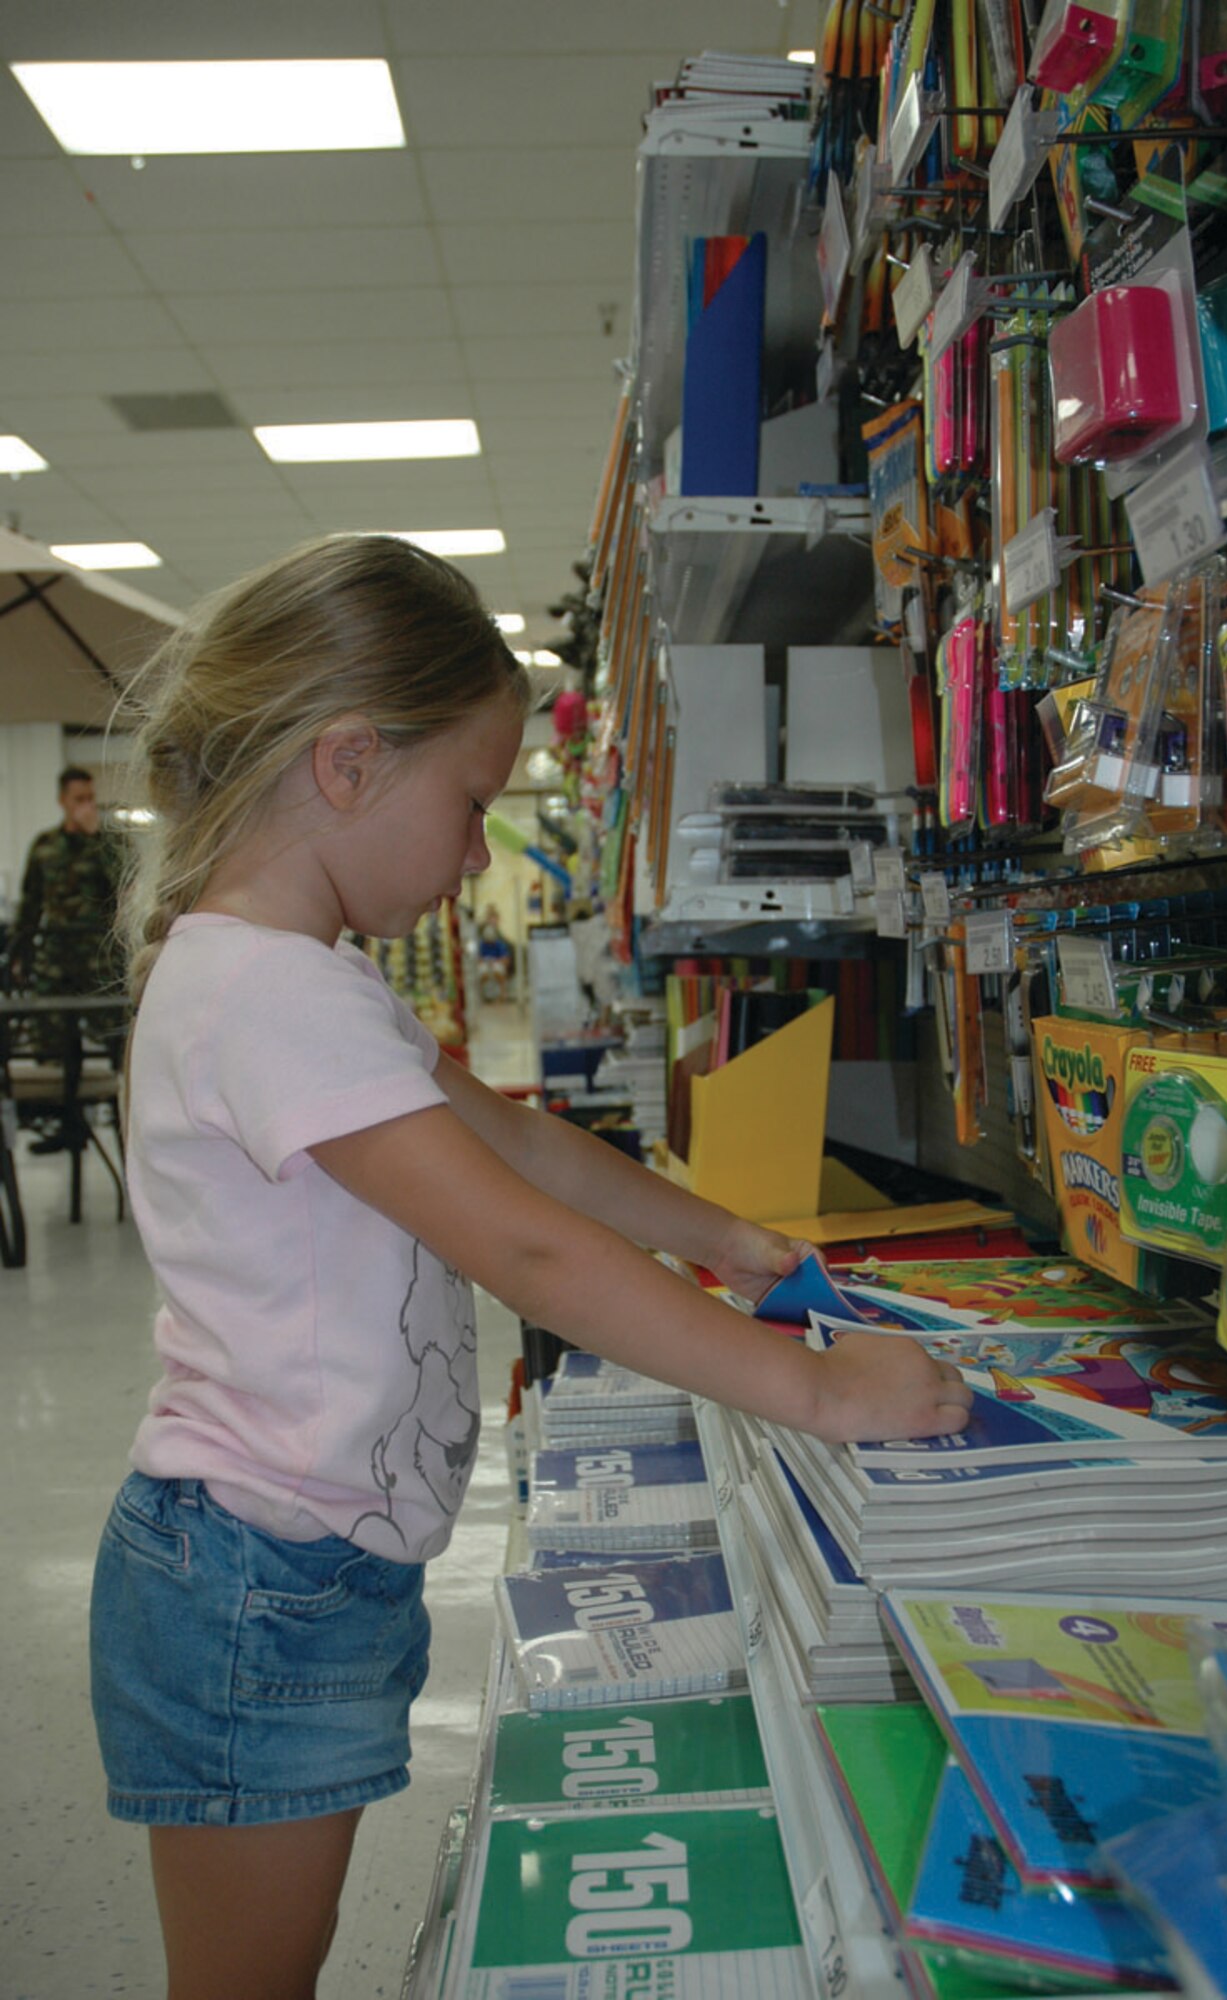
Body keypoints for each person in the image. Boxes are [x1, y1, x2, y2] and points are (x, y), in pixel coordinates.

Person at [88, 534, 971, 2000]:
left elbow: (520, 1147)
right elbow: (519, 1243)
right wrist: (816, 1396)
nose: (478, 855)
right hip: (251, 1576)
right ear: (349, 763)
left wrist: (730, 1241)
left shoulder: (311, 978)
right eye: (473, 805)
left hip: (303, 1558)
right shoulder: (260, 991)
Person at [8, 764, 125, 1144]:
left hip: (100, 961)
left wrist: (97, 838)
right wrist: (20, 954)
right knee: (61, 1047)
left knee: (115, 1043)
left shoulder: (109, 843)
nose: (86, 806)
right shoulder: (45, 846)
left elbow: (126, 888)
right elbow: (30, 905)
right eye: (79, 799)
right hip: (58, 960)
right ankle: (70, 1127)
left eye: (90, 798)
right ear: (62, 801)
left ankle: (125, 1126)